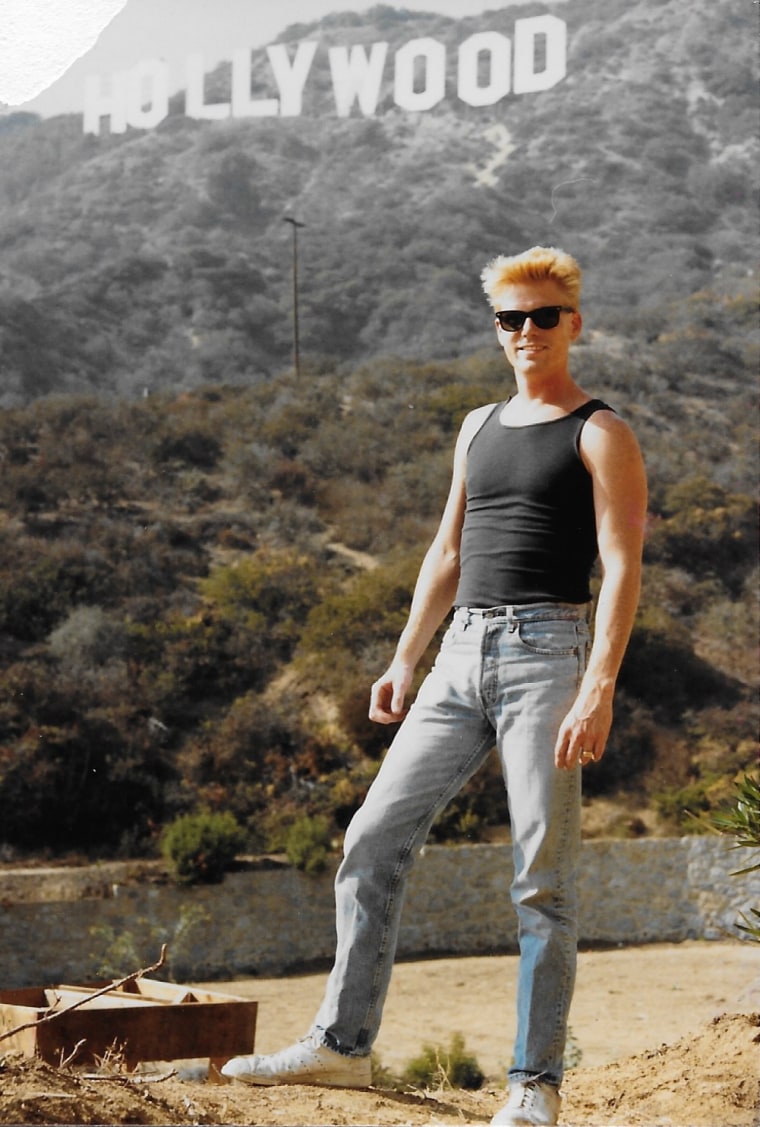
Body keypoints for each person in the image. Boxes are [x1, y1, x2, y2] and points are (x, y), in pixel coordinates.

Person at [221, 246, 647, 1127]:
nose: (525, 332)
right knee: (372, 837)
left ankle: (534, 1084)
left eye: (542, 317)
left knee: (541, 876)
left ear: (574, 322)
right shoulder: (476, 425)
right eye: (509, 319)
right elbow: (447, 551)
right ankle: (342, 1046)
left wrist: (598, 684)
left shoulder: (600, 431)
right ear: (495, 329)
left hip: (549, 650)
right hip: (459, 653)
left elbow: (622, 565)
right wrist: (403, 658)